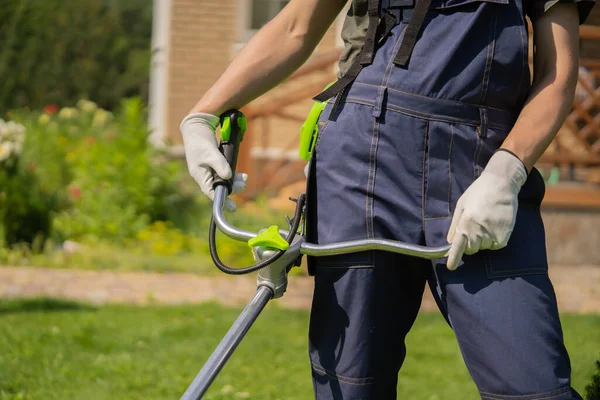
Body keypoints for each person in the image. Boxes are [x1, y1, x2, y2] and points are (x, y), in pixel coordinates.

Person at [179, 0, 594, 398]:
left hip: (480, 170)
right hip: (357, 169)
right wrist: (203, 114)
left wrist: (507, 171)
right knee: (351, 381)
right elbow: (295, 27)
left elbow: (557, 75)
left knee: (533, 387)